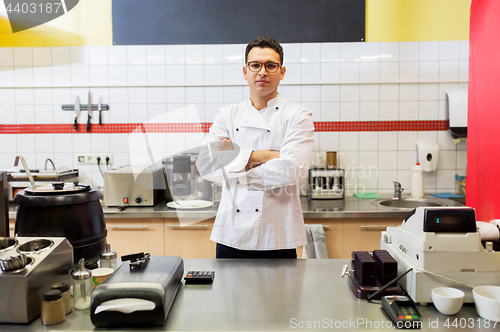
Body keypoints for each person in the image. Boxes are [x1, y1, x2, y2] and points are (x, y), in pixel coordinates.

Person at [196, 36, 314, 258]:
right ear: (245, 71)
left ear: (282, 72)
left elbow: (290, 170)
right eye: (255, 65)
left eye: (271, 65)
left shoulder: (298, 115)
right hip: (231, 235)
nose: (262, 72)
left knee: (280, 295)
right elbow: (205, 165)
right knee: (228, 294)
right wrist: (262, 156)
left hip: (277, 235)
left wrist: (234, 164)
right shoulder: (227, 115)